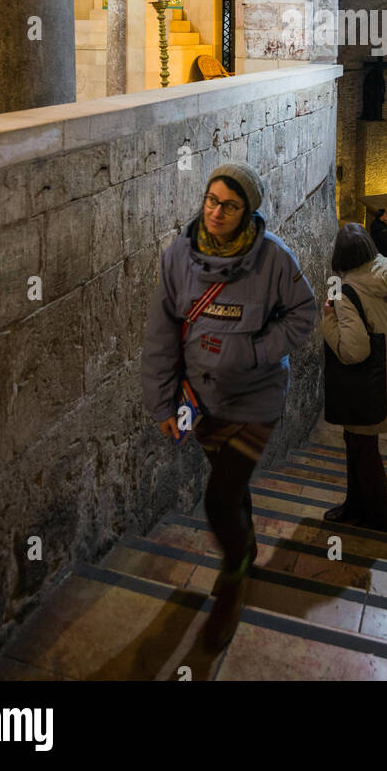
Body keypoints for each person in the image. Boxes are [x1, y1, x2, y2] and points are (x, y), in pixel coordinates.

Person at [141, 161, 317, 652]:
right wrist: (161, 402)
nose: (216, 212)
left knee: (218, 499)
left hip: (256, 400)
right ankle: (247, 542)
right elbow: (161, 335)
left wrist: (257, 350)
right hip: (201, 400)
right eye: (211, 200)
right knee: (229, 486)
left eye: (230, 205)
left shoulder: (274, 259)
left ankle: (234, 581)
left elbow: (303, 313)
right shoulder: (179, 256)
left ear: (248, 212)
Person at [320, 223, 387, 531]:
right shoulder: (383, 273)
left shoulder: (346, 292)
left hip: (365, 383)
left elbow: (354, 351)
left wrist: (328, 321)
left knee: (364, 451)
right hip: (386, 373)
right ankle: (355, 506)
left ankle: (382, 517)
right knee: (356, 444)